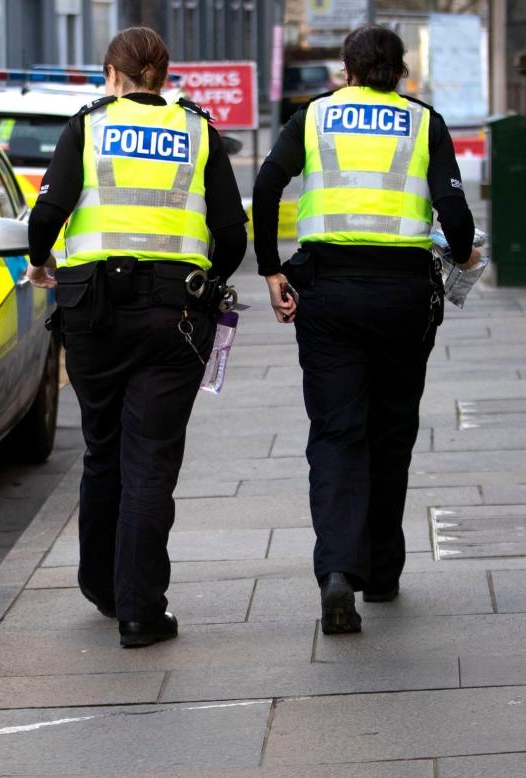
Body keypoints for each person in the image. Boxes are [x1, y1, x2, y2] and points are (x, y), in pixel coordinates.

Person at [252, 25, 479, 635]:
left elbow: (267, 185)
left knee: (335, 433)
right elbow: (454, 213)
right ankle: (381, 572)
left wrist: (271, 269)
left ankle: (337, 574)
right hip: (403, 294)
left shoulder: (314, 117)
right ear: (400, 70)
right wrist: (462, 255)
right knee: (392, 428)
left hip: (326, 292)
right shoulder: (423, 122)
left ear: (346, 70)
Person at [27, 26, 247, 647]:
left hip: (92, 312)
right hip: (174, 314)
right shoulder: (198, 129)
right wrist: (206, 281)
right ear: (164, 75)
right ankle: (140, 610)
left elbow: (47, 213)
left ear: (113, 75)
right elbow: (232, 235)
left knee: (102, 448)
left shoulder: (89, 124)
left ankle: (101, 583)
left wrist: (43, 264)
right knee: (149, 460)